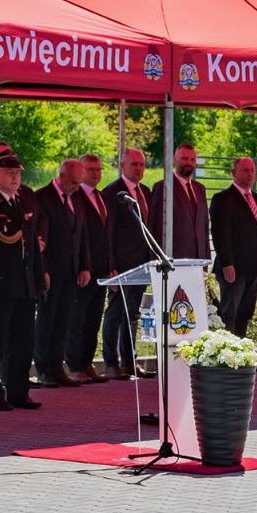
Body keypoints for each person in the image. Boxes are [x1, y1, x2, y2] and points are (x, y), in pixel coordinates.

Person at [0, 150, 44, 413]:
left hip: (24, 283)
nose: (15, 178)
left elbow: (32, 247)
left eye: (17, 173)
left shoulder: (23, 200)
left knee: (23, 340)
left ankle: (18, 391)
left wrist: (39, 280)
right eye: (8, 173)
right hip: (0, 284)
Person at [34, 158, 91, 388]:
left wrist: (84, 265)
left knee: (63, 321)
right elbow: (38, 239)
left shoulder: (76, 198)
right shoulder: (42, 197)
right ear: (62, 176)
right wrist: (42, 270)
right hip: (50, 270)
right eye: (74, 183)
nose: (77, 188)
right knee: (46, 321)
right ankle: (43, 369)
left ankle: (57, 368)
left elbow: (82, 234)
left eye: (79, 184)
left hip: (71, 271)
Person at [210, 156, 257, 337]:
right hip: (233, 269)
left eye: (252, 170)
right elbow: (220, 234)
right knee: (229, 314)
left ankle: (241, 352)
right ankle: (226, 351)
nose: (250, 174)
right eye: (245, 170)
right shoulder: (222, 199)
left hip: (254, 267)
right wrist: (227, 263)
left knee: (245, 314)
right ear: (234, 173)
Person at [102, 148, 154, 379]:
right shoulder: (113, 193)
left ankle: (129, 361)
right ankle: (111, 362)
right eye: (134, 164)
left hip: (142, 264)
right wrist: (110, 265)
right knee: (115, 313)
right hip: (121, 266)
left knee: (132, 314)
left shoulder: (145, 192)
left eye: (142, 164)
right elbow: (108, 232)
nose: (139, 168)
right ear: (122, 166)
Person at [67, 152, 112, 383]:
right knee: (77, 319)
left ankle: (87, 363)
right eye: (90, 169)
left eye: (98, 169)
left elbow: (107, 236)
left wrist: (111, 265)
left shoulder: (101, 197)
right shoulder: (76, 197)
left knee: (93, 320)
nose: (95, 173)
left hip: (101, 269)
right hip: (83, 269)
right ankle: (75, 365)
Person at [152, 143, 210, 260]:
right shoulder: (163, 187)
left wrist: (206, 258)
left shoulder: (200, 189)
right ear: (174, 160)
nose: (189, 163)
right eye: (184, 158)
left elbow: (204, 226)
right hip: (174, 259)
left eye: (192, 159)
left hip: (198, 259)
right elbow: (155, 227)